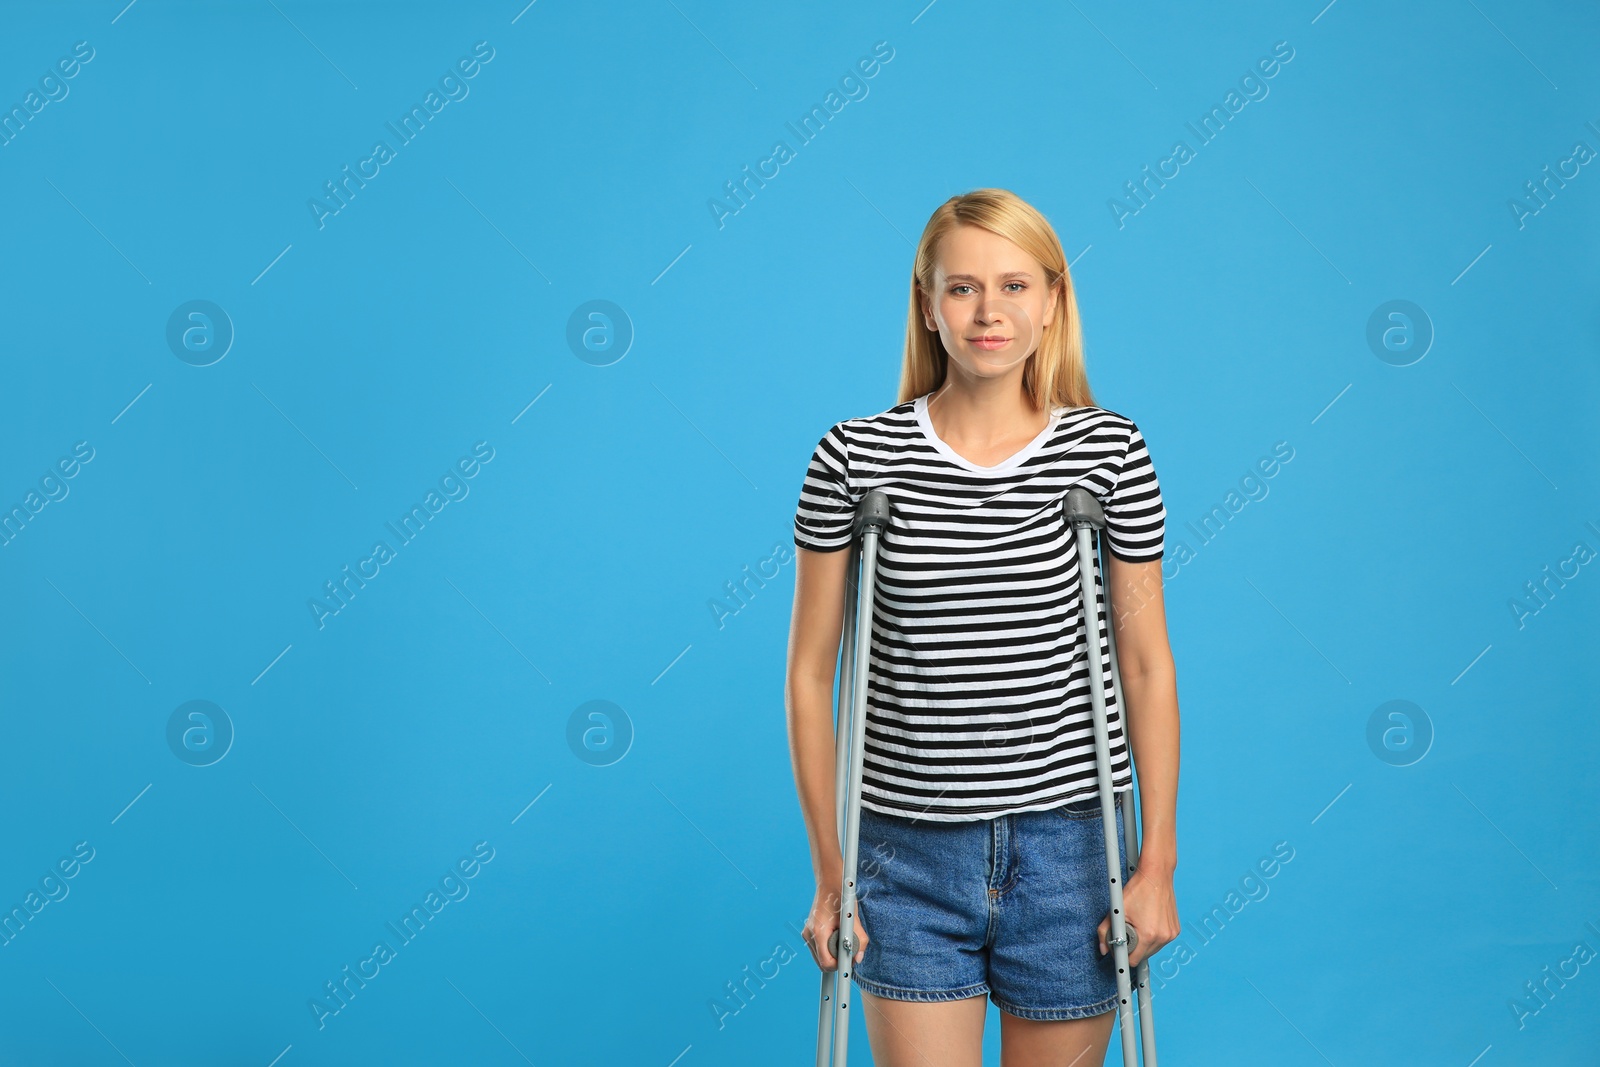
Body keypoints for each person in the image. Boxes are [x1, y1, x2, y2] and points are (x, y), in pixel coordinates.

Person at [786, 188, 1181, 1066]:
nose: (989, 311)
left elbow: (1147, 664)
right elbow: (812, 673)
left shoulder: (1109, 452)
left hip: (1073, 849)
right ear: (928, 306)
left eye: (1013, 285)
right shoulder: (854, 459)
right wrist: (829, 872)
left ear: (1051, 303)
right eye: (961, 288)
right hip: (906, 851)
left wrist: (1156, 867)